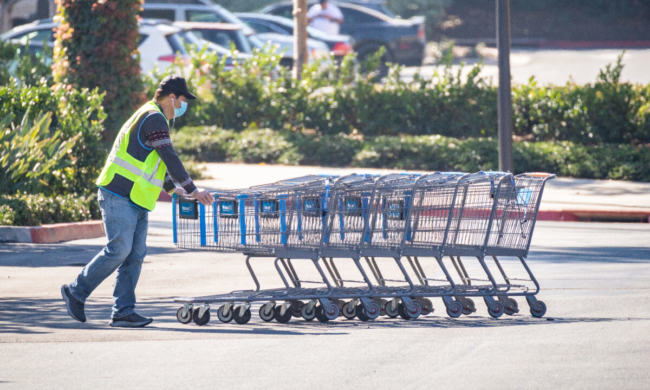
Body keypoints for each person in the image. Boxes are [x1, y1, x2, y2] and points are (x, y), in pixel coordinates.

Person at [61, 75, 214, 328]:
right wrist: (193, 189)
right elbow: (169, 156)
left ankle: (123, 311)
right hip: (118, 193)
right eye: (183, 100)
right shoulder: (154, 117)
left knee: (134, 255)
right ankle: (76, 291)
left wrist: (171, 188)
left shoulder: (155, 116)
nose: (183, 106)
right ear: (172, 97)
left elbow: (155, 160)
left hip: (136, 197)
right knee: (119, 250)